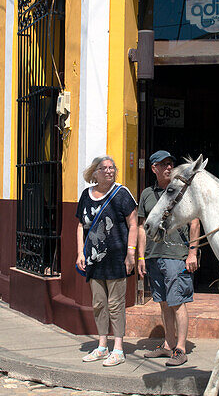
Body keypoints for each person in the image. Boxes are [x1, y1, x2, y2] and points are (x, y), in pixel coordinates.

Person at [137, 150, 200, 367]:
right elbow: (141, 227)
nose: (168, 168)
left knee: (178, 302)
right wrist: (140, 256)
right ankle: (168, 344)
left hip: (176, 256)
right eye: (162, 164)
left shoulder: (181, 191)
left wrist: (192, 252)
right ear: (153, 168)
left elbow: (194, 223)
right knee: (163, 303)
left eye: (170, 163)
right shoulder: (146, 194)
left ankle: (180, 348)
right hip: (154, 255)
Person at [75, 155, 137, 368]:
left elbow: (134, 224)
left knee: (115, 304)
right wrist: (80, 253)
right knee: (99, 304)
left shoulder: (122, 194)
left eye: (112, 168)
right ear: (95, 172)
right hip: (94, 260)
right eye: (104, 168)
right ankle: (102, 345)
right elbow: (80, 226)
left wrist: (131, 253)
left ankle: (118, 348)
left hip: (116, 259)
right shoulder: (86, 195)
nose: (109, 171)